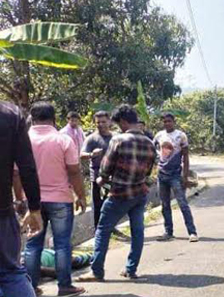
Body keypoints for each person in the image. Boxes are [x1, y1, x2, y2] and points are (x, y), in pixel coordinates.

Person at [77, 105, 156, 282]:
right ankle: (131, 269)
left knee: (103, 230)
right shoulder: (150, 143)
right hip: (139, 193)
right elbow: (149, 171)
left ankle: (97, 271)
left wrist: (101, 180)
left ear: (123, 121)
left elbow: (105, 169)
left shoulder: (118, 140)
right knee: (138, 231)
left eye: (118, 123)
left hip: (119, 194)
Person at [25, 102, 86, 297]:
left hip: (32, 202)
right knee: (62, 244)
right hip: (60, 199)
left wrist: (20, 199)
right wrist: (81, 196)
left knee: (33, 244)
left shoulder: (24, 139)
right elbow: (75, 171)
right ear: (54, 118)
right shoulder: (63, 140)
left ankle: (30, 288)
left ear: (32, 118)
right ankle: (65, 286)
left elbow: (16, 173)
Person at [0, 101, 43, 297]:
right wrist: (34, 208)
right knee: (10, 273)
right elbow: (27, 166)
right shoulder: (10, 114)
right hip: (2, 211)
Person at [154, 113, 198, 242]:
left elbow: (185, 157)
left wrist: (184, 176)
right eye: (165, 121)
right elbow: (152, 151)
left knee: (183, 204)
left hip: (175, 175)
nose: (167, 123)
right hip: (161, 175)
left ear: (174, 122)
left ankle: (192, 232)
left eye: (169, 121)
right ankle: (168, 232)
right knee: (165, 205)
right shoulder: (159, 135)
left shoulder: (181, 136)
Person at [80, 111, 114, 229]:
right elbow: (81, 154)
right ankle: (97, 229)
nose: (101, 124)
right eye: (98, 122)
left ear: (109, 122)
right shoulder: (92, 139)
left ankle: (111, 227)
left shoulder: (115, 137)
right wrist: (91, 154)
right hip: (97, 177)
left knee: (111, 204)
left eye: (103, 122)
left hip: (113, 177)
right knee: (97, 205)